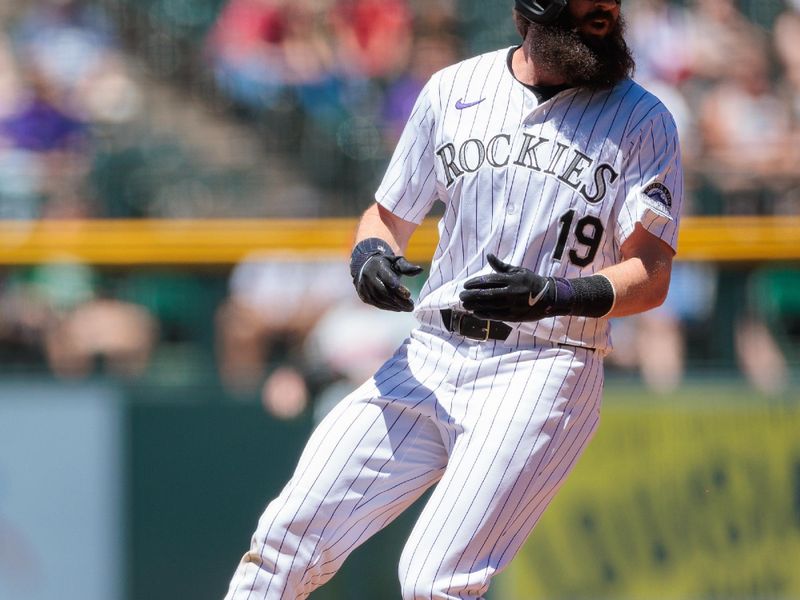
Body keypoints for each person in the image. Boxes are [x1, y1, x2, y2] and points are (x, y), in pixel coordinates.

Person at [223, 0, 683, 598]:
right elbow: (385, 218)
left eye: (609, 10)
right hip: (430, 353)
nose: (604, 18)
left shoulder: (643, 119)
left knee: (433, 581)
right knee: (286, 541)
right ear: (536, 14)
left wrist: (558, 293)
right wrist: (368, 255)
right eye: (588, 10)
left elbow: (651, 274)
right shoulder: (454, 89)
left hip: (545, 365)